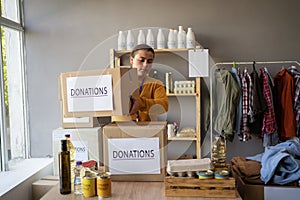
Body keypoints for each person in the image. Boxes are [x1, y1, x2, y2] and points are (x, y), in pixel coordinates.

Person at [129, 44, 168, 121]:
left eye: (149, 61)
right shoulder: (117, 81)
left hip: (148, 130)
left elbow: (164, 106)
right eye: (141, 60)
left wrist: (141, 103)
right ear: (131, 60)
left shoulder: (156, 84)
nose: (145, 65)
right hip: (119, 129)